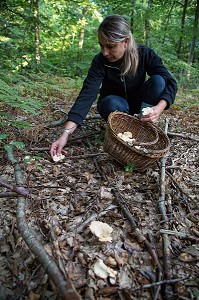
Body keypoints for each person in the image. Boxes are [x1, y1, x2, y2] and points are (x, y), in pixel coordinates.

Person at [50, 14, 177, 158]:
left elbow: (170, 82)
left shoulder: (144, 54)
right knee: (112, 102)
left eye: (110, 46)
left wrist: (158, 108)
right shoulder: (100, 61)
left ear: (126, 41)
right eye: (101, 45)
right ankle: (124, 132)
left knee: (158, 80)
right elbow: (87, 94)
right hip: (113, 106)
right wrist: (65, 134)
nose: (105, 52)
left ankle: (144, 126)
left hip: (138, 105)